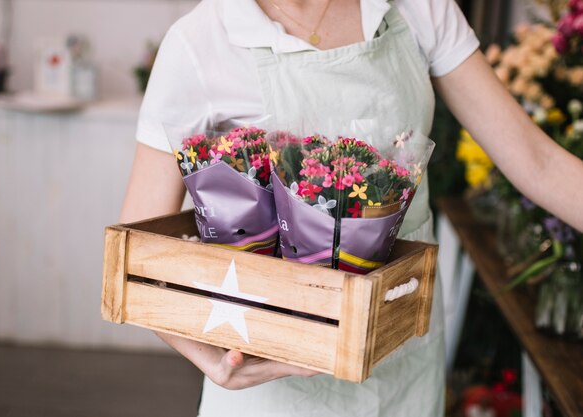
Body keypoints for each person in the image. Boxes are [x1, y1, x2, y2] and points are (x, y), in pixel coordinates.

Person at [120, 0, 583, 416]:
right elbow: (136, 256)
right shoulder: (201, 42)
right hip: (274, 383)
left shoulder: (418, 8)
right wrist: (208, 357)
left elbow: (537, 162)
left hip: (404, 359)